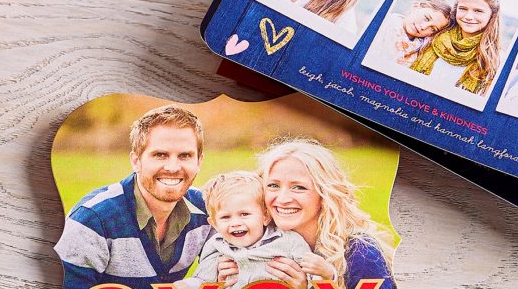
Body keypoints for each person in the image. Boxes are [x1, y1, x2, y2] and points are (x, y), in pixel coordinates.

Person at [54, 105, 211, 289]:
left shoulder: (209, 209)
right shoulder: (93, 220)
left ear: (199, 161)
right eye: (160, 155)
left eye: (185, 155)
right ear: (136, 161)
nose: (173, 167)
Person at [218, 139, 395, 289]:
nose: (283, 198)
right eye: (273, 185)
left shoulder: (360, 253)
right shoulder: (248, 242)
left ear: (325, 194)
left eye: (299, 187)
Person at [178, 171, 311, 289]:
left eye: (244, 214)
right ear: (215, 224)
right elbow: (202, 280)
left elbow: (313, 275)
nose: (235, 223)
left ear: (265, 216)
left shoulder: (289, 241)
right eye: (225, 217)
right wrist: (184, 285)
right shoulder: (216, 246)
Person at [411, 0, 502, 95]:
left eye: (478, 11)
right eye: (463, 9)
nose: (468, 16)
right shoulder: (434, 36)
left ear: (492, 16)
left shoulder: (495, 58)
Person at [370, 0, 454, 66]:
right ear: (416, 6)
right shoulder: (385, 22)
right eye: (426, 18)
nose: (423, 27)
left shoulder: (422, 49)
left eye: (433, 29)